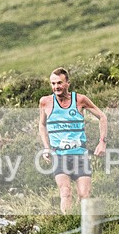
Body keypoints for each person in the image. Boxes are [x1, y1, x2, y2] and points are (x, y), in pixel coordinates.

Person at [38, 67, 107, 213]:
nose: (56, 87)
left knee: (84, 195)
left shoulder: (80, 100)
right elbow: (42, 125)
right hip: (59, 155)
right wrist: (46, 147)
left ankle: (84, 229)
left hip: (80, 154)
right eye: (53, 83)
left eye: (59, 83)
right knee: (65, 192)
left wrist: (102, 142)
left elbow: (102, 117)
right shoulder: (45, 102)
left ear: (67, 83)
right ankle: (67, 225)